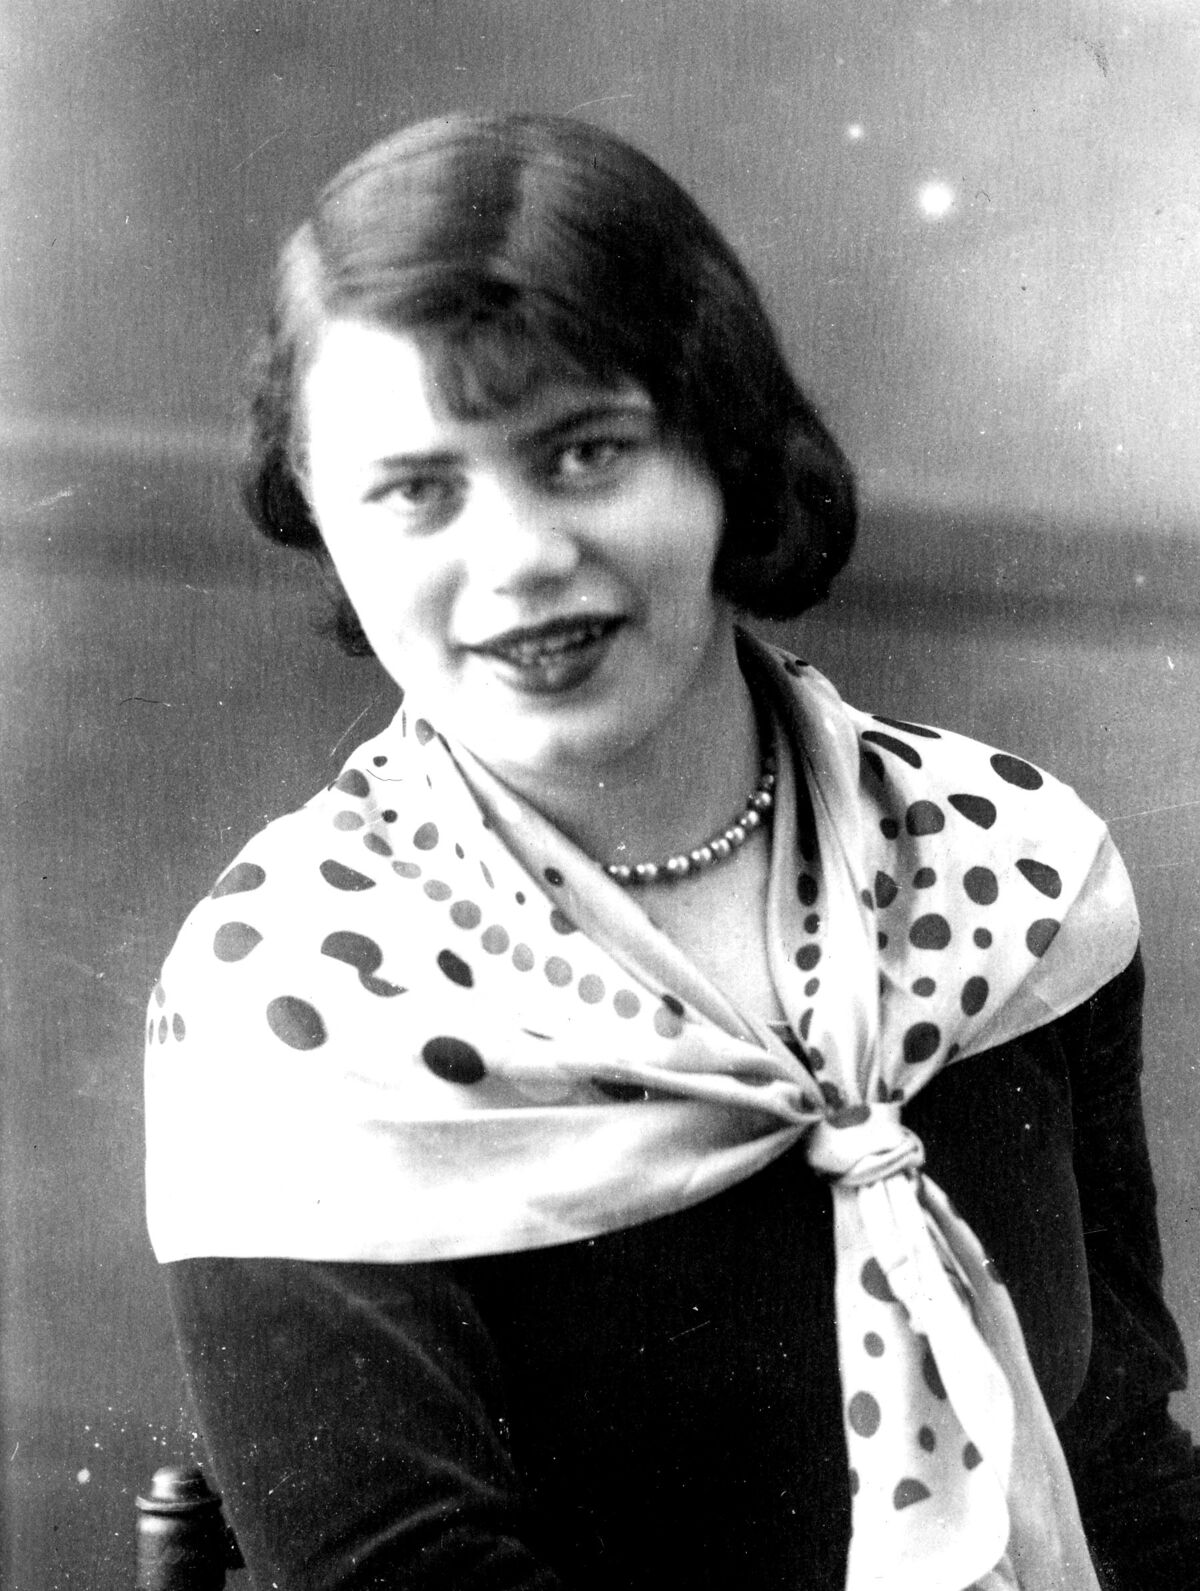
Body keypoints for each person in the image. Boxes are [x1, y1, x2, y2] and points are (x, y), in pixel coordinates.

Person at [144, 112, 1200, 1590]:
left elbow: (1122, 1463)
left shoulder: (1014, 875)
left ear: (724, 451)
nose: (520, 556)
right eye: (419, 490)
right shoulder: (296, 998)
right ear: (326, 519)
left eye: (586, 452)